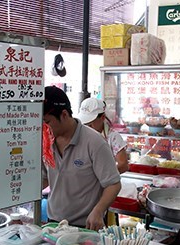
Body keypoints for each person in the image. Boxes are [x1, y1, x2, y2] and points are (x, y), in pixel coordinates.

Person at [42, 86, 121, 230]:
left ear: (64, 115)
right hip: (53, 222)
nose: (43, 128)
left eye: (47, 122)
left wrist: (98, 211)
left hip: (85, 226)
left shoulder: (94, 142)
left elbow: (113, 184)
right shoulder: (46, 141)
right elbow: (44, 178)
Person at [77, 97, 129, 174]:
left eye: (90, 124)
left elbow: (123, 165)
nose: (87, 127)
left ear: (102, 117)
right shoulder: (79, 135)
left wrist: (105, 177)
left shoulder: (113, 137)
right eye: (84, 124)